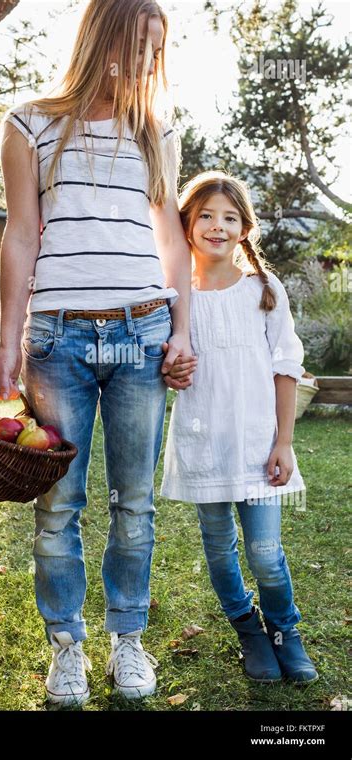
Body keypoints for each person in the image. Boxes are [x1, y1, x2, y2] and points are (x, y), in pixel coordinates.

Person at [0, 0, 197, 706]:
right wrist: (8, 341)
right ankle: (67, 647)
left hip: (142, 334)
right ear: (102, 37)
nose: (146, 63)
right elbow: (20, 234)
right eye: (138, 44)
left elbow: (173, 243)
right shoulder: (29, 124)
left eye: (156, 50)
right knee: (59, 504)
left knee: (133, 501)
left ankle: (127, 639)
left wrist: (182, 329)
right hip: (57, 337)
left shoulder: (154, 130)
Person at [160, 170, 318, 685]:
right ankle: (249, 631)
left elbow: (286, 365)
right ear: (186, 224)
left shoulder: (264, 290)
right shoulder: (173, 297)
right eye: (205, 215)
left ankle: (283, 632)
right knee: (219, 547)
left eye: (229, 218)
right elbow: (164, 366)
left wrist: (284, 441)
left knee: (266, 554)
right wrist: (171, 368)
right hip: (204, 445)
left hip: (257, 446)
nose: (216, 226)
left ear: (244, 229)